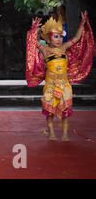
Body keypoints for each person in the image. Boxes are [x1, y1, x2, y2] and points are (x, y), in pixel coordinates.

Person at [26, 11, 94, 141]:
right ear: (48, 38)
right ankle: (51, 132)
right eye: (55, 37)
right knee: (50, 109)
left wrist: (82, 24)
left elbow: (76, 39)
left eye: (60, 36)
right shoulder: (45, 50)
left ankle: (65, 133)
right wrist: (34, 28)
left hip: (64, 83)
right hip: (51, 84)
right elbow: (33, 42)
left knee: (65, 109)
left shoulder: (63, 48)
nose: (59, 40)